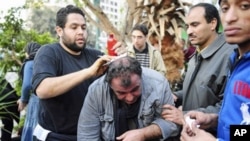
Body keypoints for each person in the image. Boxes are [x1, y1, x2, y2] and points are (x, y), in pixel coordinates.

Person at [31, 5, 123, 141]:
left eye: (84, 27)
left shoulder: (96, 55)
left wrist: (123, 57)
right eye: (74, 27)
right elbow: (43, 89)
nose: (81, 32)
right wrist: (88, 72)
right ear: (59, 30)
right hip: (56, 136)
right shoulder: (49, 53)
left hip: (91, 135)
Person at [180, 0, 250, 141]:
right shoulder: (236, 59)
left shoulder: (227, 56)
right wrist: (214, 119)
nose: (230, 18)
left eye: (244, 6)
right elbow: (242, 128)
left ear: (213, 23)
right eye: (224, 8)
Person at [161, 2, 236, 132]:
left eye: (195, 25)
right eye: (187, 26)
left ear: (213, 23)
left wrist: (185, 115)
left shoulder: (232, 55)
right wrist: (177, 96)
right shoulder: (195, 56)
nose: (189, 31)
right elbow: (199, 90)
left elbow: (232, 107)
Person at [77, 56, 179, 141]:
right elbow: (87, 136)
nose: (130, 98)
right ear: (110, 86)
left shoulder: (158, 84)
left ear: (141, 77)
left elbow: (172, 124)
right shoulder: (96, 91)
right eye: (121, 93)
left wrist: (144, 133)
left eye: (135, 89)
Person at [17, 42, 41, 141]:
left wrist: (23, 100)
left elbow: (27, 85)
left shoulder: (30, 62)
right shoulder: (46, 61)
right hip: (50, 100)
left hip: (36, 101)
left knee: (33, 128)